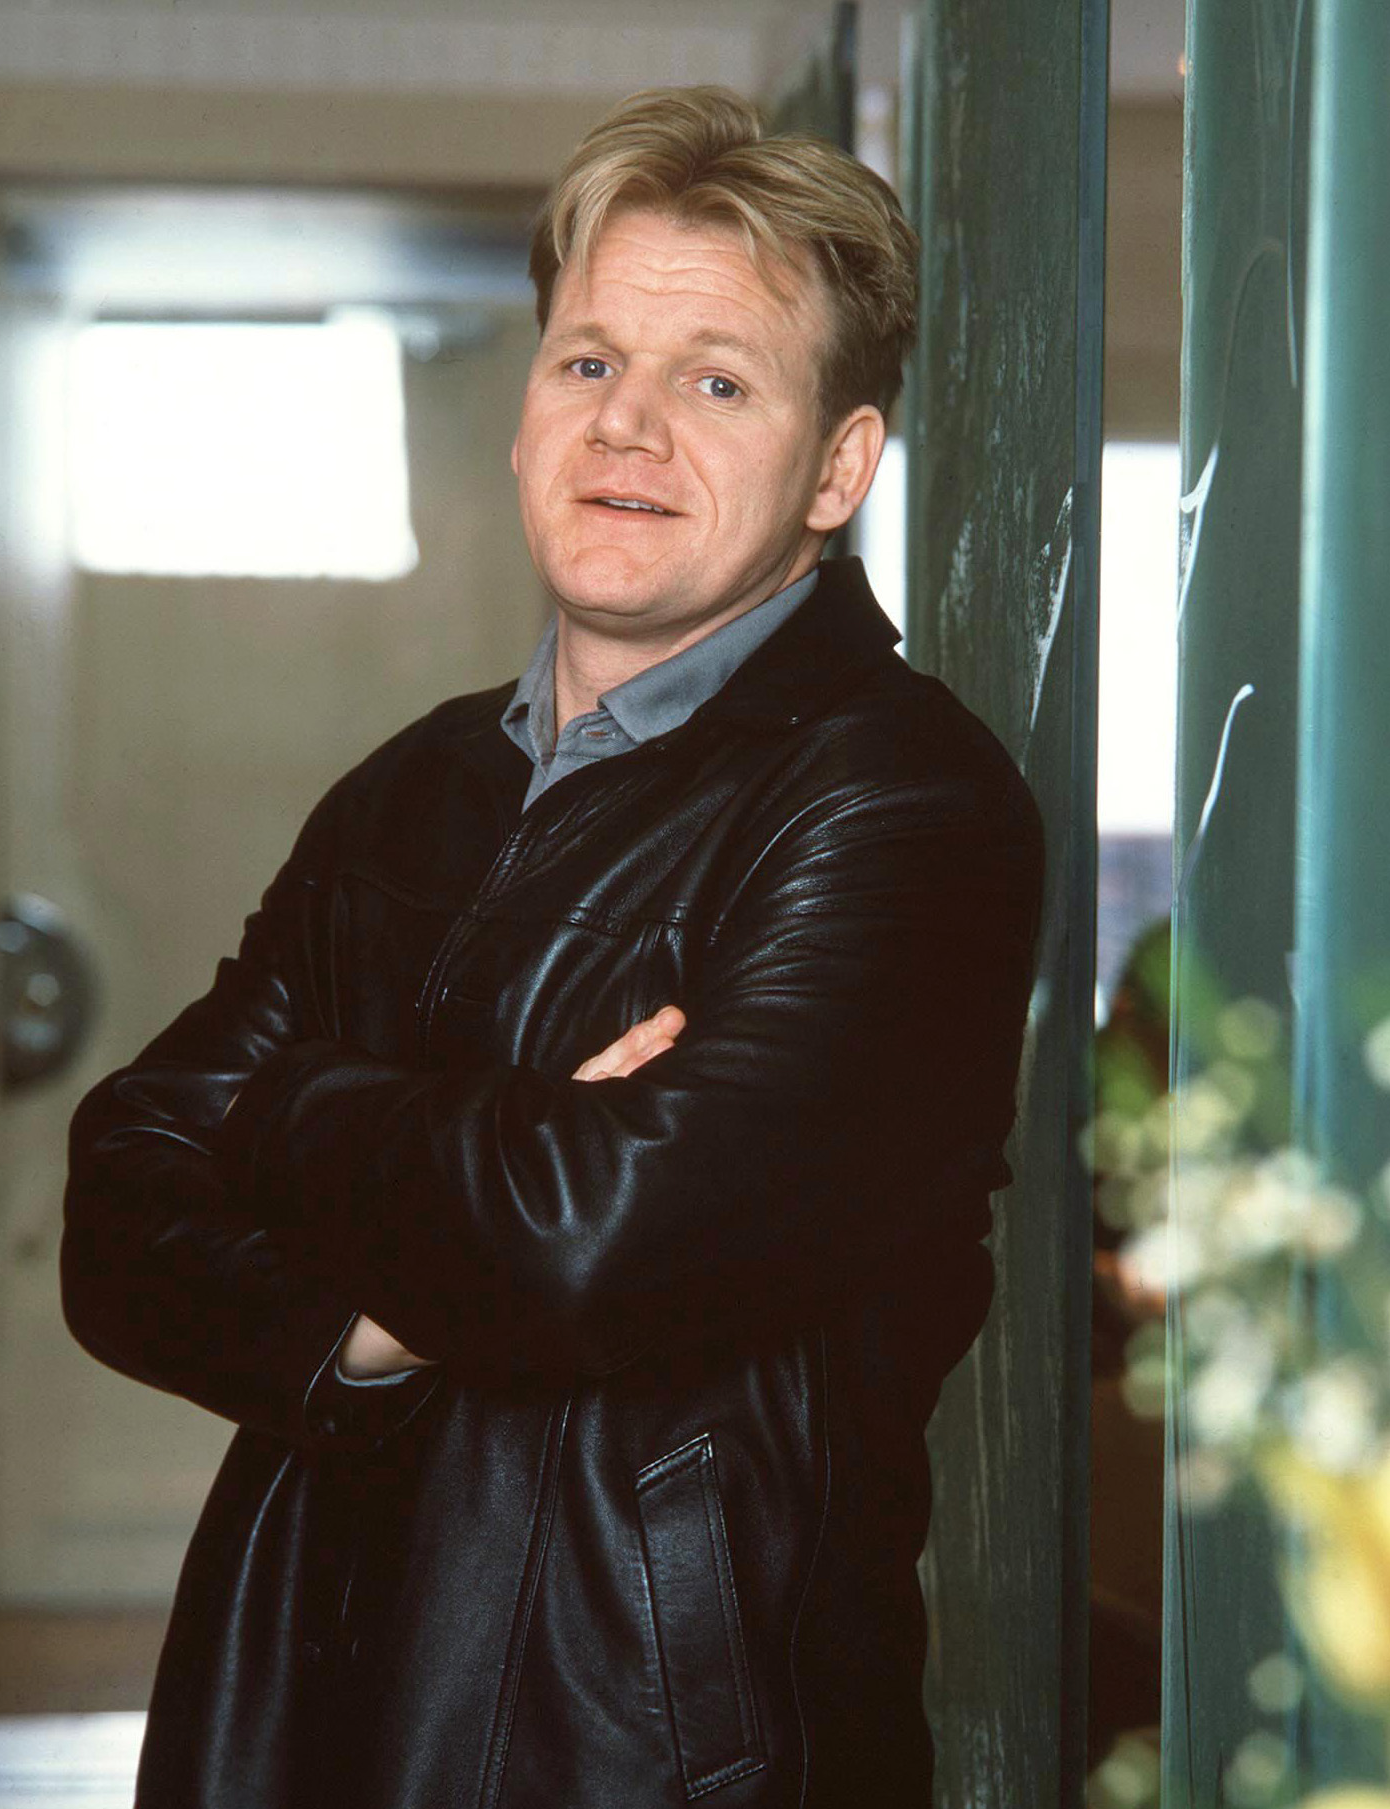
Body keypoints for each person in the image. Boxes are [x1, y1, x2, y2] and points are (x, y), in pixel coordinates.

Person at [61, 84, 1045, 1808]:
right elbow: (119, 1207)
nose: (628, 428)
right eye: (589, 362)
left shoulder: (902, 802)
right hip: (296, 1699)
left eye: (715, 381)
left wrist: (292, 1112)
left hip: (645, 1746)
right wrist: (394, 1308)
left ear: (838, 467)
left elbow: (590, 1245)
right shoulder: (412, 789)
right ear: (523, 419)